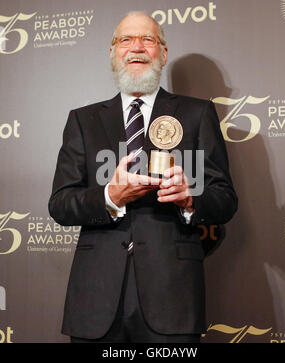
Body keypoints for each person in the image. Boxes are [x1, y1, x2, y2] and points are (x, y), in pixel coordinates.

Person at [48, 11, 238, 343]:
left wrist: (190, 197)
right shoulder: (83, 120)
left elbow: (224, 199)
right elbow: (61, 204)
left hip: (173, 296)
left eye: (148, 39)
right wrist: (110, 196)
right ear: (112, 53)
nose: (137, 47)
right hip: (96, 300)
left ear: (163, 53)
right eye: (126, 39)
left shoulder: (197, 114)